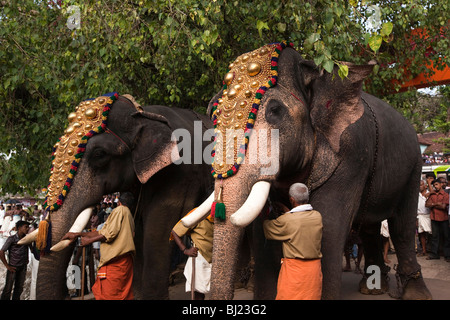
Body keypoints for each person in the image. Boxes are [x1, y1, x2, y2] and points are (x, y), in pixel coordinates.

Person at [62, 192, 136, 300]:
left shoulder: (121, 210)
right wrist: (77, 234)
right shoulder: (128, 215)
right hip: (120, 263)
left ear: (119, 202)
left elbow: (109, 234)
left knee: (110, 296)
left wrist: (89, 241)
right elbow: (101, 232)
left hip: (115, 263)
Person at [263, 183, 323, 300]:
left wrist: (265, 213)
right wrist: (287, 212)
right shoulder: (317, 216)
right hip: (313, 272)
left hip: (294, 272)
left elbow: (268, 228)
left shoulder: (286, 220)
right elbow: (298, 222)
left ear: (291, 199)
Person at [170, 208, 214, 300]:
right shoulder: (197, 214)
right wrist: (185, 250)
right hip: (199, 258)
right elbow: (175, 231)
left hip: (214, 259)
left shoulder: (219, 217)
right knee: (198, 293)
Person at [0, 221, 31, 300]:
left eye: (28, 227)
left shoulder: (27, 238)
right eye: (26, 227)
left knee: (19, 288)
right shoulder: (12, 239)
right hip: (13, 267)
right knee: (8, 288)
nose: (27, 229)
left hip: (23, 267)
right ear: (19, 228)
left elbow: (31, 249)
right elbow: (2, 251)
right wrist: (7, 266)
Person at [425, 179, 450, 261]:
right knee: (434, 237)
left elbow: (443, 207)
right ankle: (434, 254)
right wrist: (436, 204)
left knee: (446, 237)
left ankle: (447, 255)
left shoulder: (445, 195)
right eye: (434, 185)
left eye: (436, 184)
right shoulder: (432, 195)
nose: (435, 186)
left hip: (444, 218)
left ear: (440, 184)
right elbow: (426, 204)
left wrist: (432, 205)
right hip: (434, 218)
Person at [417, 179, 431, 257]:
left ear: (425, 186)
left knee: (430, 233)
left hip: (428, 215)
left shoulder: (429, 193)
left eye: (421, 185)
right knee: (421, 234)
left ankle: (431, 249)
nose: (419, 187)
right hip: (420, 215)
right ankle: (424, 250)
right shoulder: (416, 195)